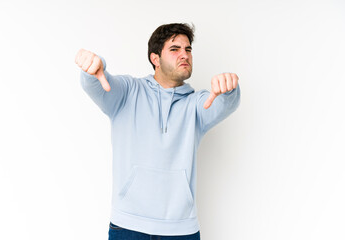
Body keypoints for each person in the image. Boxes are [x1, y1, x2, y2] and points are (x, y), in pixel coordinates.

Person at [75, 23, 241, 240]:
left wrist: (229, 90)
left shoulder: (196, 104)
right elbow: (99, 84)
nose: (185, 55)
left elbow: (225, 104)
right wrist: (92, 70)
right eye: (175, 49)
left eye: (188, 49)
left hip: (181, 231)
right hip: (127, 226)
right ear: (155, 58)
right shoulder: (128, 91)